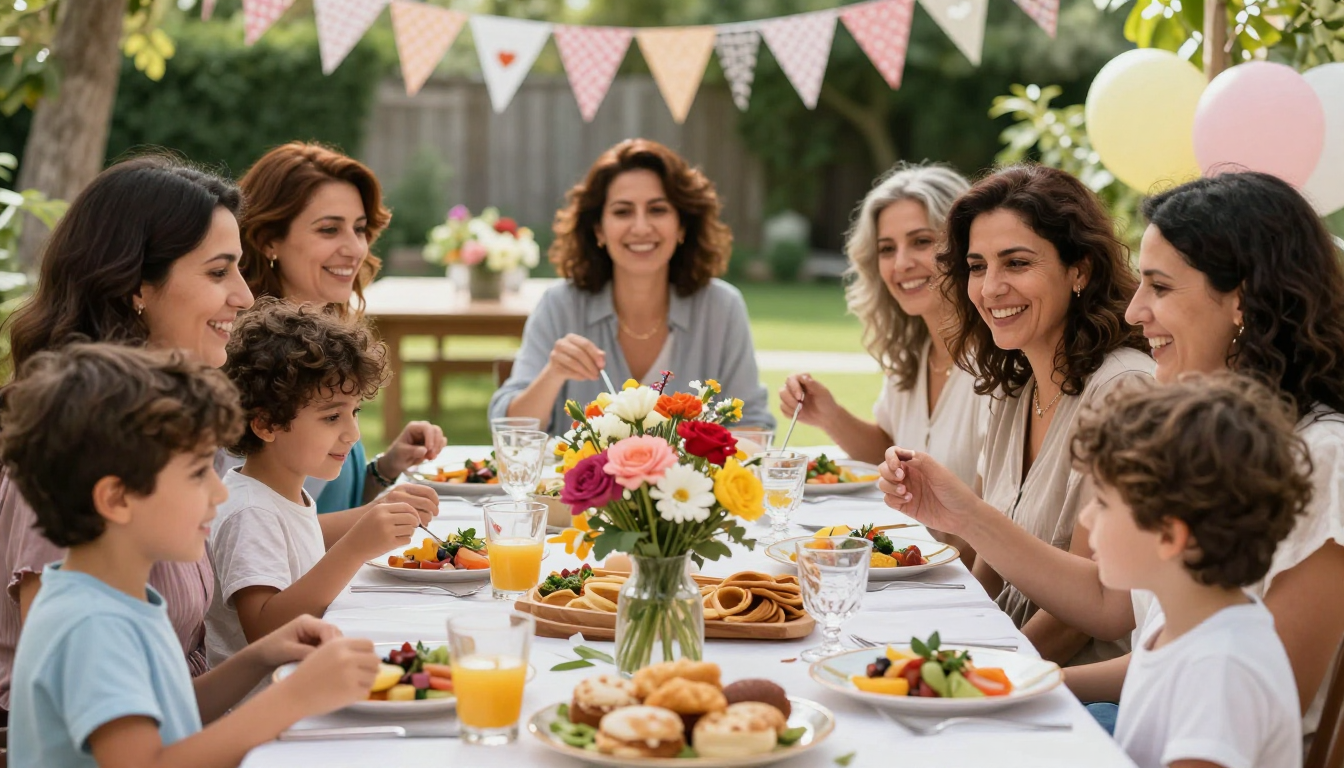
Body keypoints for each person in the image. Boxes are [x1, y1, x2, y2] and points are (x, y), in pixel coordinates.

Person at [881, 171, 1344, 740]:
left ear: (1242, 299)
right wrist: (1002, 680)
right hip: (1140, 723)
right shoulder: (1213, 433)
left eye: (1161, 288)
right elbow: (1133, 630)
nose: (1134, 311)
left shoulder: (1324, 458)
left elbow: (1261, 699)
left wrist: (1006, 685)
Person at [1, 343, 377, 768]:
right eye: (198, 474)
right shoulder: (90, 624)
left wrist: (263, 655)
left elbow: (173, 712)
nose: (219, 491)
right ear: (117, 498)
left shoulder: (115, 596)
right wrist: (295, 697)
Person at [0, 156, 255, 724]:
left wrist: (269, 660)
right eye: (219, 273)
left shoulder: (161, 426)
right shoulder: (74, 448)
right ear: (136, 286)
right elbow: (72, 707)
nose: (245, 296)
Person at [882, 164, 1153, 665]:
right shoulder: (1015, 386)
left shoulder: (1123, 391)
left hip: (1075, 685)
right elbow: (991, 564)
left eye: (1017, 263)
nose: (990, 288)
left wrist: (980, 677)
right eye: (977, 266)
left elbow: (1083, 615)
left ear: (1080, 270)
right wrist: (942, 650)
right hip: (1008, 657)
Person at [1071, 373, 1306, 768]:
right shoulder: (1183, 628)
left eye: (1104, 504)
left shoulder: (1220, 669)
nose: (1086, 517)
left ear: (1169, 535)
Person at [488, 138, 774, 435]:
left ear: (682, 225)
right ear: (599, 229)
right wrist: (553, 374)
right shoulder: (559, 305)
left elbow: (752, 424)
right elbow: (512, 433)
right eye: (622, 212)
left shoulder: (722, 308)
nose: (640, 227)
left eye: (657, 210)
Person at [207, 299, 420, 666]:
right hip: (270, 697)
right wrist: (353, 549)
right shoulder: (251, 511)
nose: (353, 433)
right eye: (332, 417)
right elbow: (265, 629)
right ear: (267, 424)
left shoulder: (285, 494)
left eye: (354, 411)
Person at [237, 141, 445, 513]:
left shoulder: (322, 341)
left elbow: (317, 502)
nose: (355, 248)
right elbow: (255, 530)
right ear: (269, 241)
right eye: (329, 229)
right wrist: (372, 518)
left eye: (360, 229)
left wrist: (385, 468)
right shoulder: (249, 360)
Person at [780, 164, 990, 483]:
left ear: (965, 246)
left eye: (921, 241)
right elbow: (889, 451)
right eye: (887, 249)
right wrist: (829, 416)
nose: (901, 264)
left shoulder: (999, 361)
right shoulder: (912, 354)